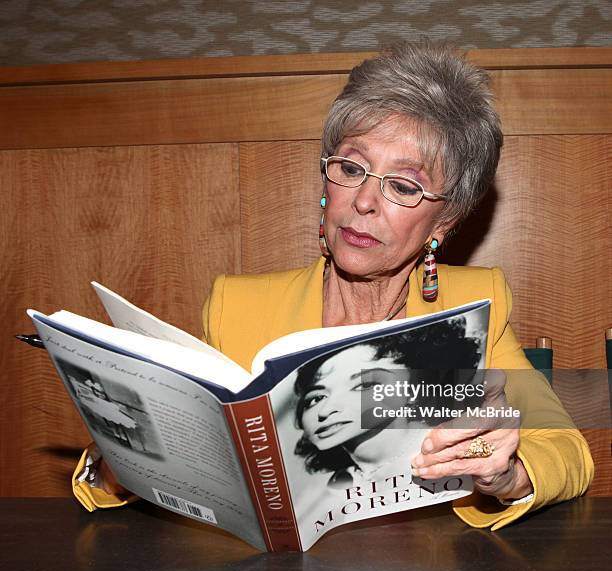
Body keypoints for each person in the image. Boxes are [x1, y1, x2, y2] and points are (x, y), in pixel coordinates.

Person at [73, 42, 593, 530]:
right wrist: (122, 451)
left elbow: (568, 452)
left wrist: (504, 471)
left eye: (404, 186)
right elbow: (169, 453)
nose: (364, 201)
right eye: (351, 167)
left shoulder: (474, 306)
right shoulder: (238, 307)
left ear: (445, 221)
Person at [292, 317, 483, 488]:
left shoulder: (458, 448)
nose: (325, 410)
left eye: (364, 385)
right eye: (316, 398)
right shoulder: (338, 484)